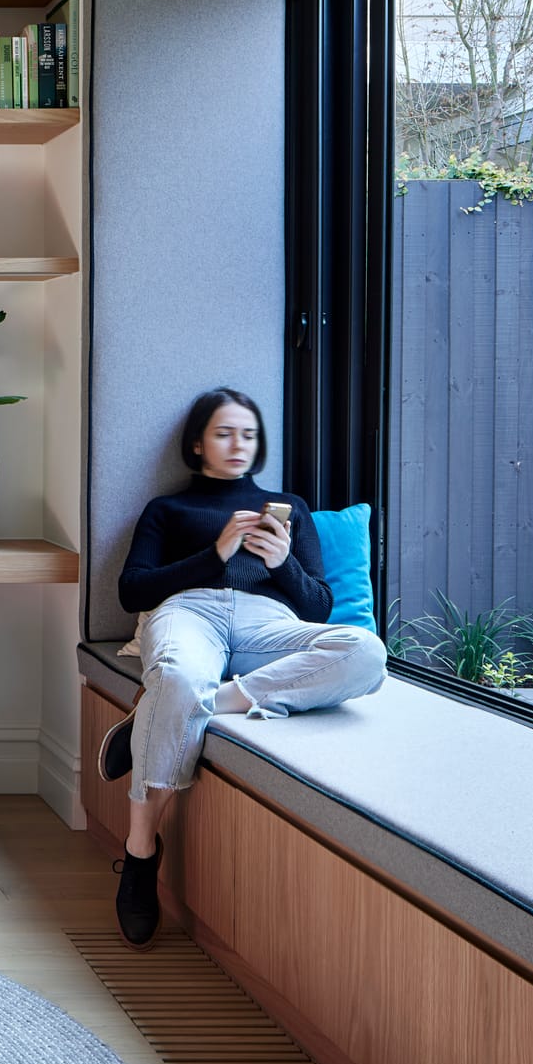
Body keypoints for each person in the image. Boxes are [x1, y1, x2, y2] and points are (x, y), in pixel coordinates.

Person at [102, 387, 386, 947]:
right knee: (178, 675)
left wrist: (282, 564)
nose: (238, 444)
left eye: (248, 435)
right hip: (189, 610)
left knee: (366, 653)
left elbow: (317, 608)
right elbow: (132, 591)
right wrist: (217, 555)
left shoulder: (290, 507)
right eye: (225, 433)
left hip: (267, 620)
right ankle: (139, 855)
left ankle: (188, 707)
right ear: (197, 444)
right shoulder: (168, 509)